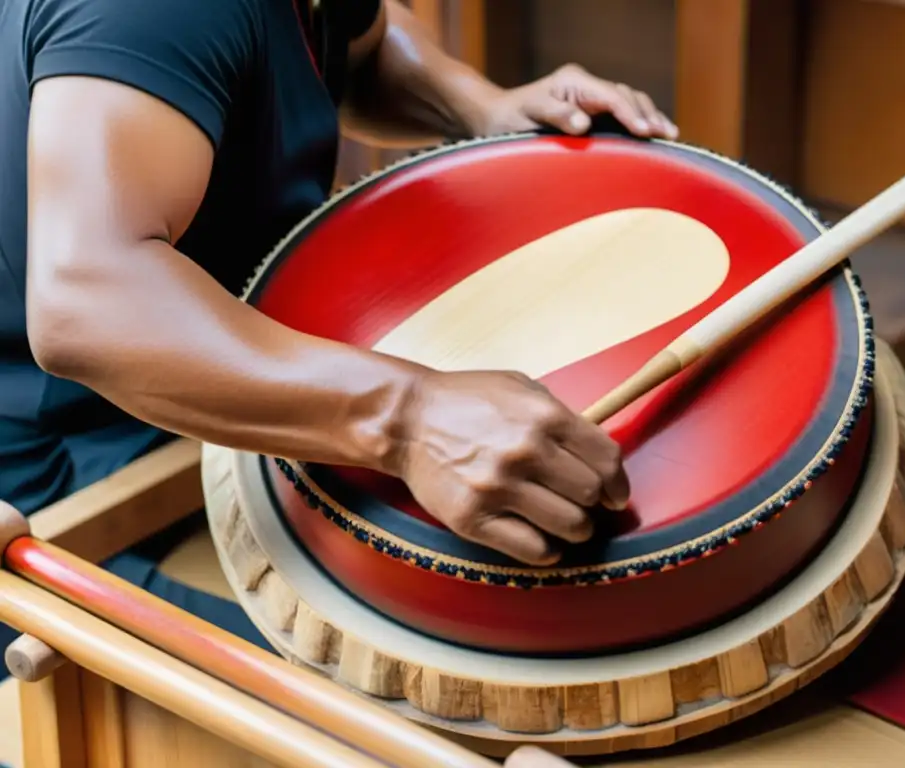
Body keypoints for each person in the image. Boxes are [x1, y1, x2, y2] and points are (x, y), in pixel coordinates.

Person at [0, 1, 676, 762]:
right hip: (52, 475)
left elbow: (364, 45)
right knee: (408, 729)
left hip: (199, 405)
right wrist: (412, 417)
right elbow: (87, 302)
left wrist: (485, 108)